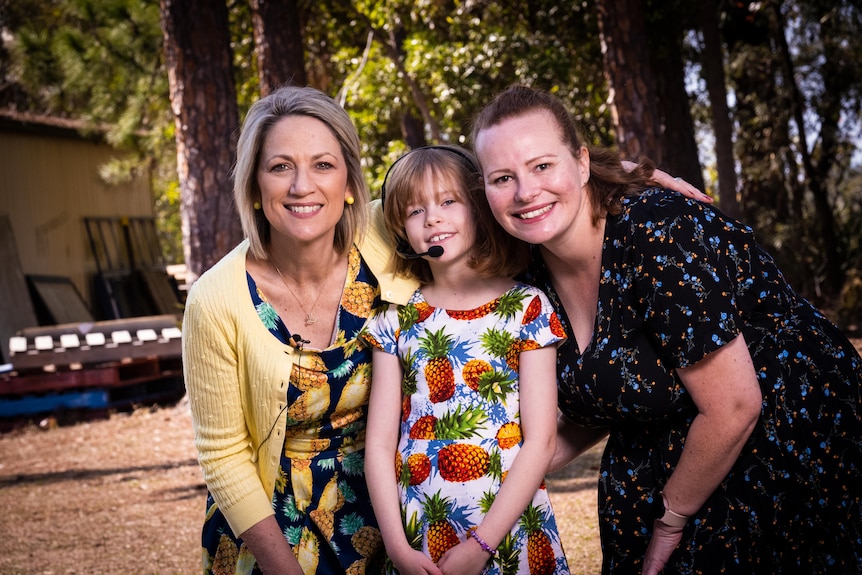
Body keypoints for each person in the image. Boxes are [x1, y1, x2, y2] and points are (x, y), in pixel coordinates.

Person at [470, 84, 862, 574]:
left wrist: (671, 519)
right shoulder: (527, 282)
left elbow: (735, 406)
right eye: (503, 177)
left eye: (543, 166)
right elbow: (610, 394)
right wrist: (488, 466)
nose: (526, 192)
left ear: (583, 163)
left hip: (785, 448)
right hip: (664, 462)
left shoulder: (659, 231)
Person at [182, 85, 418, 575]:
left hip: (395, 514)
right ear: (253, 185)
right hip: (271, 529)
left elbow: (485, 212)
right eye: (280, 166)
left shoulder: (391, 233)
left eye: (323, 165)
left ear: (350, 181)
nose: (301, 186)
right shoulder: (216, 298)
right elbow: (224, 457)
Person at [362, 145, 570, 575]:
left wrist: (480, 545)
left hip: (511, 533)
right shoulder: (396, 317)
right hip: (420, 535)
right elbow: (380, 446)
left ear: (479, 208)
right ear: (400, 229)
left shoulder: (527, 308)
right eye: (414, 211)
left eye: (448, 201)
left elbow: (542, 441)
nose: (432, 218)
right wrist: (399, 550)